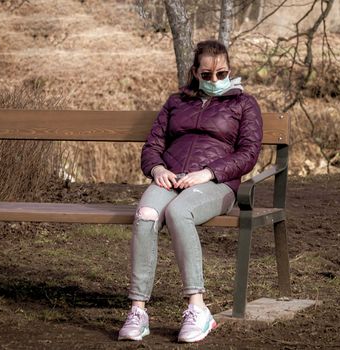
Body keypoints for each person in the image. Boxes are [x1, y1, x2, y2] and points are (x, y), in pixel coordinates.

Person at [118, 39, 263, 343]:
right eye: (207, 75)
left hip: (217, 184)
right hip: (171, 177)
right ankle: (138, 311)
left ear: (229, 71)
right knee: (145, 214)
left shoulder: (243, 104)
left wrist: (209, 173)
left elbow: (248, 153)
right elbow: (153, 145)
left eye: (221, 74)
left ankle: (198, 309)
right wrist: (157, 169)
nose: (214, 81)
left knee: (178, 212)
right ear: (196, 72)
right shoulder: (176, 102)